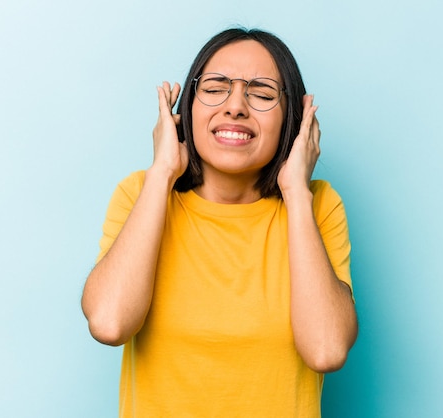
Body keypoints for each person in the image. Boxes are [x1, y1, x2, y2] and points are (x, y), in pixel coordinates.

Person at [81, 27, 358, 417]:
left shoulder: (318, 205)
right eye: (215, 88)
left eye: (261, 93)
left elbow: (326, 349)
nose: (235, 106)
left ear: (291, 119)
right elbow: (109, 323)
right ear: (187, 107)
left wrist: (296, 193)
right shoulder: (140, 193)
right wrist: (162, 173)